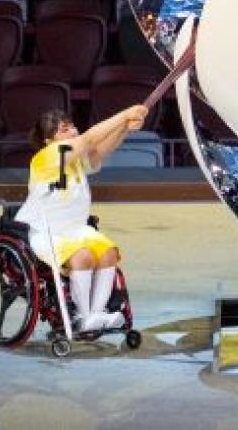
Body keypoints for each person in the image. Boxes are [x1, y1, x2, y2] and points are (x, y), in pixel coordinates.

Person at [15, 105, 149, 332]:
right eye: (64, 130)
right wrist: (124, 115)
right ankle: (82, 316)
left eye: (72, 127)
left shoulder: (74, 160)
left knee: (109, 253)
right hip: (49, 233)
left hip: (77, 229)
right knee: (84, 256)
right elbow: (89, 140)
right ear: (49, 141)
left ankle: (95, 315)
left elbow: (100, 151)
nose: (73, 132)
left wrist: (125, 128)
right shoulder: (46, 157)